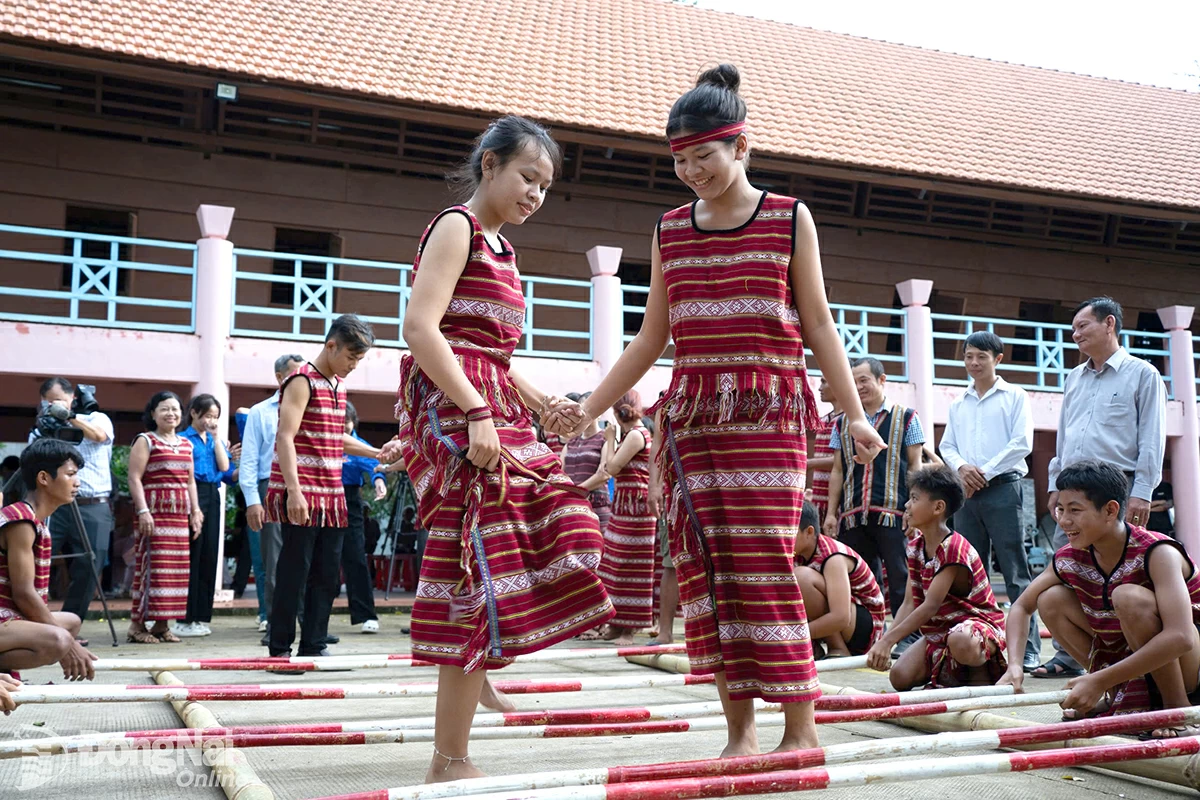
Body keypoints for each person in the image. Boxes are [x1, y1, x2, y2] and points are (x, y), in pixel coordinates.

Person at [551, 65, 885, 758]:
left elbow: (819, 323)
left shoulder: (790, 217)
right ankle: (740, 731)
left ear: (742, 148)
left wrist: (852, 414)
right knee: (709, 569)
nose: (693, 170)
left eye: (705, 155)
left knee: (763, 564)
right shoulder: (670, 229)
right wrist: (592, 406)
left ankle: (800, 729)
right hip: (695, 421)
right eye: (680, 160)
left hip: (769, 417)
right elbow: (652, 337)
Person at [392, 115, 614, 782]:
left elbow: (490, 350)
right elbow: (421, 329)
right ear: (489, 164)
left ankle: (483, 667)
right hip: (455, 407)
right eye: (527, 177)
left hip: (490, 401)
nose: (534, 195)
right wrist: (478, 411)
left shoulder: (504, 251)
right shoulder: (456, 227)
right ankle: (448, 759)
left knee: (557, 524)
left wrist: (539, 400)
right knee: (475, 562)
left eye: (545, 187)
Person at [1000, 460, 1200, 733]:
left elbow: (1181, 637)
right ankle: (1124, 696)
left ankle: (1176, 709)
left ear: (1110, 510)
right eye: (1060, 509)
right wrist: (1014, 666)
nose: (1064, 520)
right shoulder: (1070, 556)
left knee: (1128, 597)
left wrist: (1098, 680)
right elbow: (1023, 606)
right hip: (1137, 662)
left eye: (1075, 510)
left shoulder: (1157, 552)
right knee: (1051, 599)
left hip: (1191, 668)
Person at [1038, 296, 1167, 678]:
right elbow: (1064, 436)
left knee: (1130, 572)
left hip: (1118, 489)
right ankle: (1073, 658)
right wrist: (1055, 488)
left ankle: (1142, 659)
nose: (1075, 334)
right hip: (1074, 491)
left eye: (1082, 326)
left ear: (1109, 324)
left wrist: (1141, 491)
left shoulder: (1142, 373)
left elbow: (1152, 439)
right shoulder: (1073, 378)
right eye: (1073, 328)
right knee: (1073, 570)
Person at [266, 316, 381, 661]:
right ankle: (280, 649)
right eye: (350, 357)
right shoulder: (301, 380)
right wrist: (294, 491)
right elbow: (285, 436)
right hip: (304, 491)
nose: (353, 365)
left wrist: (376, 452)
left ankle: (314, 644)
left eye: (359, 360)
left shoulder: (338, 385)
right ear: (331, 346)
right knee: (294, 572)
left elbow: (336, 438)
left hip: (332, 496)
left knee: (327, 574)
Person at [938, 330, 1040, 671]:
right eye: (968, 356)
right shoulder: (957, 402)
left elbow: (1021, 442)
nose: (973, 363)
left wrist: (984, 472)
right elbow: (947, 446)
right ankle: (979, 644)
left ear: (998, 359)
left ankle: (1028, 649)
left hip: (1003, 487)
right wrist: (964, 469)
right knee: (970, 572)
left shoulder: (1015, 396)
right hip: (967, 493)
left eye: (981, 356)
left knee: (1014, 567)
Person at [867, 465, 1007, 690]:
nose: (907, 505)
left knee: (961, 640)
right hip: (942, 630)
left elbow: (930, 606)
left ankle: (981, 674)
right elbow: (910, 603)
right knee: (899, 677)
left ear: (938, 507)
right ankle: (953, 672)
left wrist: (887, 641)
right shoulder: (914, 548)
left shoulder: (953, 548)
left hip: (976, 628)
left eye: (914, 498)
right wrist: (885, 641)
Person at [824, 357, 925, 616]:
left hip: (895, 514)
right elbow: (837, 470)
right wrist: (831, 514)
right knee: (862, 581)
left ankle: (908, 638)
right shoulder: (841, 423)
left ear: (882, 380)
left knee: (901, 575)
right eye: (854, 381)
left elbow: (915, 467)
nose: (858, 387)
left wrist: (915, 510)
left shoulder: (908, 417)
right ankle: (870, 638)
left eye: (864, 380)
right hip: (853, 514)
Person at [0, 438, 97, 681]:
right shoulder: (21, 521)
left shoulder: (36, 521)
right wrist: (70, 648)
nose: (77, 482)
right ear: (44, 478)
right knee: (60, 639)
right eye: (70, 474)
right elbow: (23, 593)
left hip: (9, 617)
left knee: (72, 622)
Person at [30, 377, 114, 628]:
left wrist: (69, 417)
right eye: (46, 404)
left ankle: (70, 624)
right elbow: (32, 465)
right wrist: (48, 428)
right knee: (35, 558)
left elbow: (99, 436)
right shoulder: (41, 429)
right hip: (53, 506)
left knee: (89, 565)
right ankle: (35, 622)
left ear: (72, 399)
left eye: (56, 401)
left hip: (93, 503)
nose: (51, 408)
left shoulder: (96, 418)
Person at [126, 392, 202, 644]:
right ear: (153, 414)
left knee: (176, 572)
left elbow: (190, 481)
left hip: (179, 516)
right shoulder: (145, 440)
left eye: (175, 409)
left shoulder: (186, 444)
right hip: (153, 513)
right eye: (164, 409)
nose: (171, 413)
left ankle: (161, 625)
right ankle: (137, 626)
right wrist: (143, 511)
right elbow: (134, 478)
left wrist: (196, 511)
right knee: (151, 569)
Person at [579, 391, 655, 646]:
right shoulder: (632, 434)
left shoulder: (636, 435)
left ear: (615, 411)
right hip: (624, 508)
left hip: (637, 512)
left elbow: (610, 468)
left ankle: (629, 629)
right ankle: (615, 623)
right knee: (613, 565)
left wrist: (609, 439)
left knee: (632, 566)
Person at [242, 354, 305, 642]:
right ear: (280, 377)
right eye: (295, 373)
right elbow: (250, 460)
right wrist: (253, 499)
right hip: (271, 488)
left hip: (308, 486)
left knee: (307, 558)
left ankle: (309, 625)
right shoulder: (260, 411)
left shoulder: (312, 406)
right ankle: (276, 626)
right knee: (274, 561)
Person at [793, 501, 886, 659]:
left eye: (790, 532)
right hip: (845, 620)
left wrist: (796, 636)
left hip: (864, 626)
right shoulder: (799, 554)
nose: (783, 537)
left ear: (809, 532)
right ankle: (816, 648)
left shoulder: (833, 557)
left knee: (802, 578)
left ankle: (838, 648)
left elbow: (841, 617)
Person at [175, 394, 232, 638]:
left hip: (213, 493)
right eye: (207, 415)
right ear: (194, 413)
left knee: (209, 553)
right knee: (193, 554)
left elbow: (225, 467)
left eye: (215, 416)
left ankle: (201, 616)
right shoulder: (183, 439)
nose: (211, 420)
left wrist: (217, 437)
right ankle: (183, 617)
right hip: (193, 493)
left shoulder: (213, 440)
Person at [341, 400, 387, 635]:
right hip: (323, 499)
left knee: (356, 558)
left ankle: (366, 614)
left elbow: (374, 466)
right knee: (321, 562)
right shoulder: (326, 442)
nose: (344, 427)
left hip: (350, 502)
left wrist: (379, 482)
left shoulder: (359, 445)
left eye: (347, 423)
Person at [646, 403, 678, 646]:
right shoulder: (667, 402)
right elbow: (657, 443)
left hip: (715, 485)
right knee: (671, 562)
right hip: (676, 490)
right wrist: (654, 487)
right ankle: (665, 631)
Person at [559, 392, 611, 536]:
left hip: (596, 506)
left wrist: (576, 491)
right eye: (580, 410)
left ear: (599, 414)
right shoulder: (571, 443)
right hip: (572, 507)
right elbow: (559, 472)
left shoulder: (605, 439)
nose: (582, 415)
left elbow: (604, 474)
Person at [808, 377, 842, 521]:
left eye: (824, 382)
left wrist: (810, 463)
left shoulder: (849, 421)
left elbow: (844, 460)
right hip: (819, 501)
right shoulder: (824, 420)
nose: (820, 388)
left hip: (839, 504)